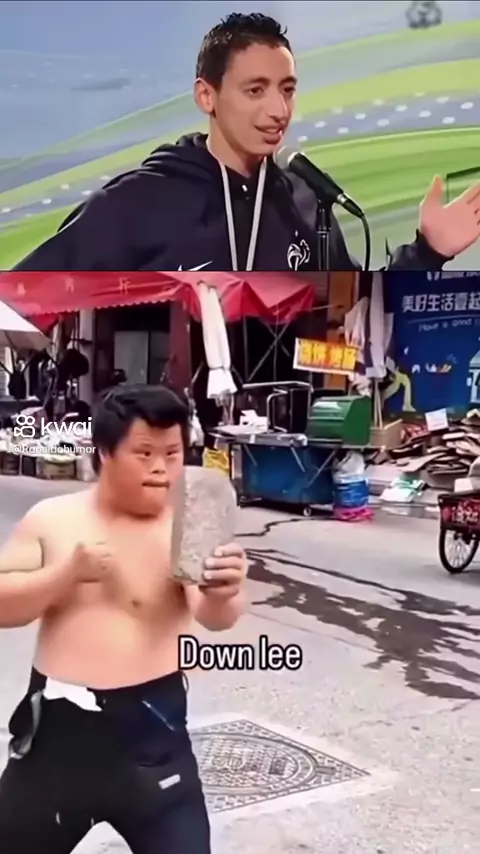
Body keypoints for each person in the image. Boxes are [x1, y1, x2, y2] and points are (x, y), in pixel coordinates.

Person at [11, 14, 480, 274]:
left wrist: (427, 252)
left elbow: (359, 315)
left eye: (287, 90)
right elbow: (24, 295)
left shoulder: (305, 202)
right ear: (206, 96)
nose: (278, 109)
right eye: (255, 90)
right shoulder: (140, 201)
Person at [0, 383, 247, 854]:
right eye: (144, 453)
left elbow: (214, 616)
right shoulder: (54, 519)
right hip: (57, 742)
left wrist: (223, 592)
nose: (161, 469)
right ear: (104, 452)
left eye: (172, 454)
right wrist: (64, 575)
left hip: (155, 738)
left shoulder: (189, 521)